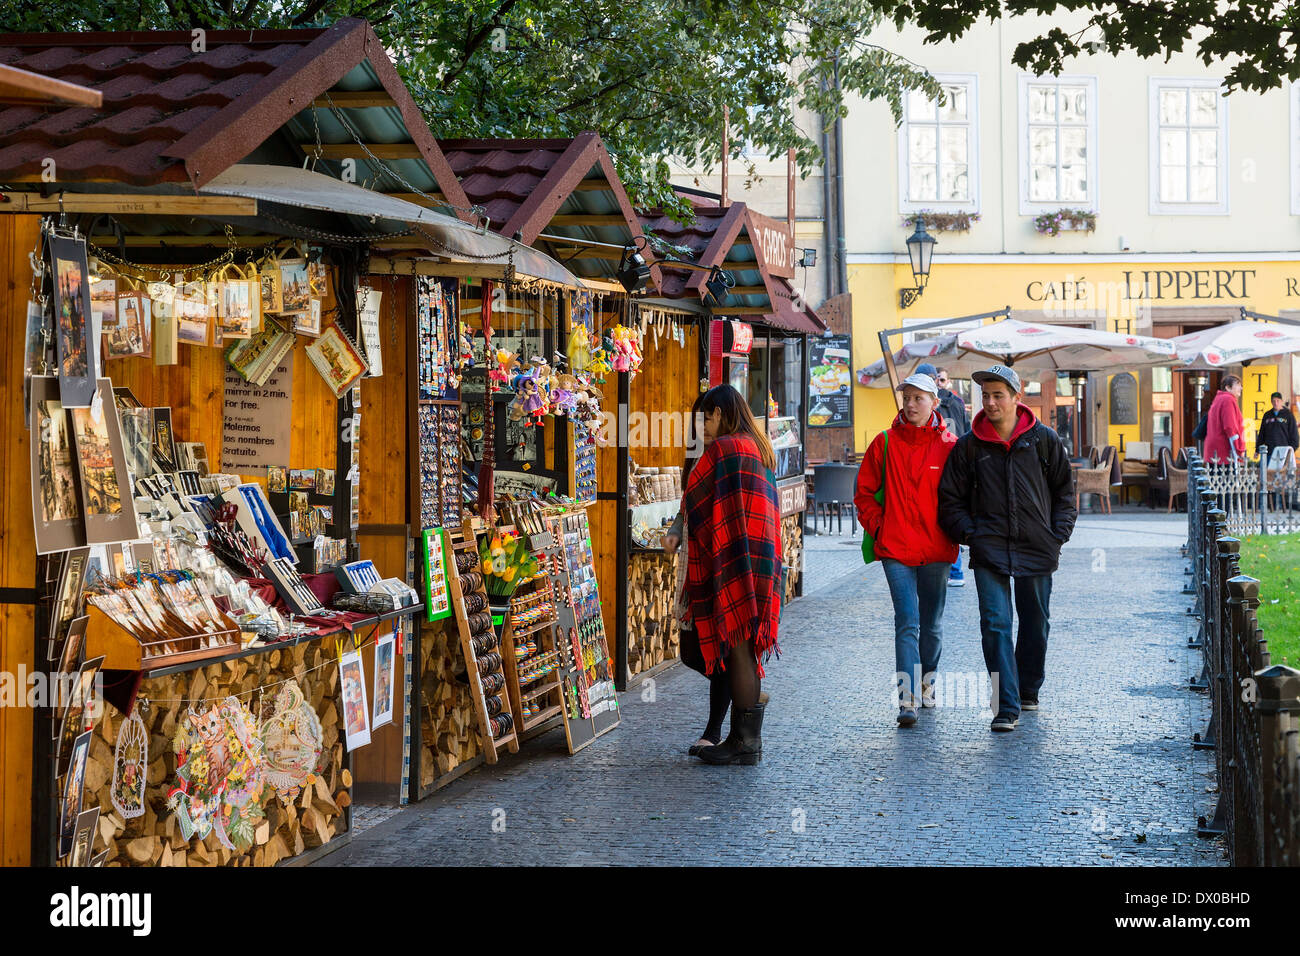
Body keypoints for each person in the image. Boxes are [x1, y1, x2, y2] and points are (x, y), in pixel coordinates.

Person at [937, 365, 1077, 733]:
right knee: (995, 624)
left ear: (1017, 397)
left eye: (998, 395)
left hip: (1037, 546)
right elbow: (949, 499)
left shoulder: (1043, 440)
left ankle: (1028, 688)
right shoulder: (969, 446)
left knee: (1036, 623)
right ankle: (1005, 705)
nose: (991, 402)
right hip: (990, 550)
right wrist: (973, 534)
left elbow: (1065, 492)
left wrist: (1057, 534)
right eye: (985, 395)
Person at [682, 384, 783, 765]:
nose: (703, 425)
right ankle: (743, 739)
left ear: (722, 413)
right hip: (761, 557)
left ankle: (745, 743)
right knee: (744, 645)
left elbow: (695, 496)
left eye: (707, 417)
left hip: (734, 557)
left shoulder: (725, 448)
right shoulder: (758, 445)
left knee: (738, 645)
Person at [854, 372, 958, 727]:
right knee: (907, 623)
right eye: (907, 397)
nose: (911, 404)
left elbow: (962, 496)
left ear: (935, 402)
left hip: (937, 548)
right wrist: (880, 527)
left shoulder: (950, 446)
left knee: (931, 625)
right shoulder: (883, 443)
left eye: (919, 398)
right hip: (896, 548)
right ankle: (907, 699)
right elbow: (864, 493)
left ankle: (928, 681)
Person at [664, 395, 730, 755]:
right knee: (691, 651)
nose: (701, 428)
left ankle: (715, 730)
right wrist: (676, 529)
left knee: (716, 647)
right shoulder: (698, 456)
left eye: (707, 421)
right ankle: (743, 690)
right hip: (692, 559)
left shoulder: (729, 456)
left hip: (717, 562)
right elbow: (685, 503)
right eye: (698, 422)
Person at [917, 362, 970, 587]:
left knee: (935, 515)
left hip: (935, 463)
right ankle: (954, 571)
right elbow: (967, 432)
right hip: (955, 463)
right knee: (950, 513)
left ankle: (946, 569)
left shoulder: (927, 402)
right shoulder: (956, 401)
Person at [1204, 375, 1246, 465]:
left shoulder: (1219, 398)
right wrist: (1239, 449)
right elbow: (1230, 427)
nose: (1241, 388)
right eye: (1238, 385)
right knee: (1227, 477)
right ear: (1228, 387)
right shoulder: (1228, 399)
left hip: (1215, 450)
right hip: (1224, 452)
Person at [1256, 391, 1299, 458]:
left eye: (1278, 401)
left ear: (1281, 401)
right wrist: (1257, 450)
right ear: (1271, 402)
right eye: (1273, 401)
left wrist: (1291, 450)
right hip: (1269, 452)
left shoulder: (1288, 415)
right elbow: (1262, 433)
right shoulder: (1267, 415)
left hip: (1284, 453)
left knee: (1283, 469)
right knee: (1269, 468)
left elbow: (1294, 435)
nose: (1276, 403)